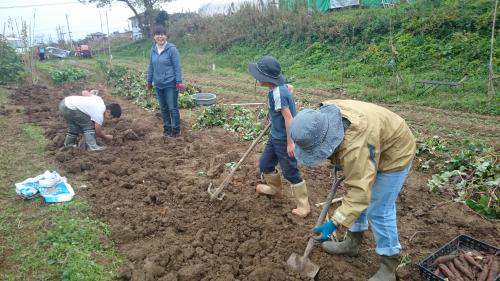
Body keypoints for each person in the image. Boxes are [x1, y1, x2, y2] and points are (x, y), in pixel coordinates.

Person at [290, 100, 416, 281]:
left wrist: (334, 222)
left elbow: (360, 193)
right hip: (373, 140)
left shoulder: (355, 147)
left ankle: (389, 266)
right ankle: (353, 242)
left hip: (395, 151)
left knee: (379, 209)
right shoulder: (323, 117)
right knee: (355, 192)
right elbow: (355, 186)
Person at [248, 56, 310, 218]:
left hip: (284, 139)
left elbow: (289, 119)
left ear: (265, 78)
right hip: (275, 136)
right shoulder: (280, 89)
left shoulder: (278, 94)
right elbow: (289, 87)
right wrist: (289, 90)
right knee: (265, 164)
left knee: (290, 172)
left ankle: (304, 206)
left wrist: (290, 143)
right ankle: (275, 189)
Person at [147, 25, 185, 138]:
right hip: (158, 84)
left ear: (166, 36)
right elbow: (151, 67)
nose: (160, 36)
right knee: (163, 108)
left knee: (172, 108)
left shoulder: (172, 49)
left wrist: (179, 81)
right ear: (154, 37)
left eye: (162, 34)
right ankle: (167, 128)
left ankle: (176, 130)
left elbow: (177, 66)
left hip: (170, 84)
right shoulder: (153, 50)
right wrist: (149, 80)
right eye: (158, 34)